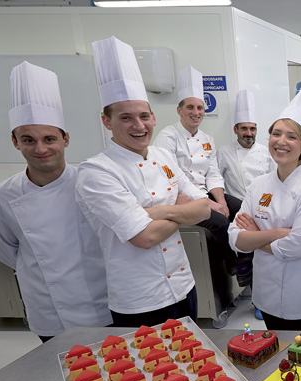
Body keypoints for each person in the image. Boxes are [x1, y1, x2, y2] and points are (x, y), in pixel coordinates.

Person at [77, 36, 211, 327]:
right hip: (140, 298)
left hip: (183, 284)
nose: (138, 126)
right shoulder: (96, 171)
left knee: (193, 364)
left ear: (153, 117)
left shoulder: (162, 154)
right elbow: (144, 237)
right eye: (126, 118)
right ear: (106, 121)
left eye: (143, 116)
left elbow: (203, 208)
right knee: (150, 371)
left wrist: (157, 213)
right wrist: (180, 208)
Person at [0, 61, 111, 342]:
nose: (40, 148)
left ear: (65, 139)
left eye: (49, 138)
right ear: (14, 141)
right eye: (28, 140)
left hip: (104, 304)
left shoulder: (93, 183)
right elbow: (9, 254)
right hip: (50, 311)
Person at [229, 83, 301, 331]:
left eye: (291, 136)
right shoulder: (259, 185)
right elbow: (234, 238)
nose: (280, 141)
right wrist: (277, 234)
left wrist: (255, 235)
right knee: (278, 364)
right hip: (266, 297)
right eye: (276, 134)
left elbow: (298, 246)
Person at [155, 66, 247, 286]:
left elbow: (213, 172)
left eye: (199, 107)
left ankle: (246, 261)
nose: (196, 112)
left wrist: (222, 200)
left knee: (244, 209)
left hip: (206, 191)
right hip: (181, 198)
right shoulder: (167, 137)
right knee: (219, 222)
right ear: (179, 110)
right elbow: (173, 179)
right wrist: (207, 203)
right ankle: (231, 263)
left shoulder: (207, 138)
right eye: (190, 107)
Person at [217, 89, 273, 291]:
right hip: (237, 209)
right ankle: (251, 288)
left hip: (263, 206)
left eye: (252, 129)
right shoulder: (224, 152)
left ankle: (262, 290)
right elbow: (216, 181)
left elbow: (274, 181)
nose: (248, 133)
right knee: (246, 250)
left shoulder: (266, 152)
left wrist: (263, 206)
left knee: (264, 252)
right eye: (244, 129)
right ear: (235, 129)